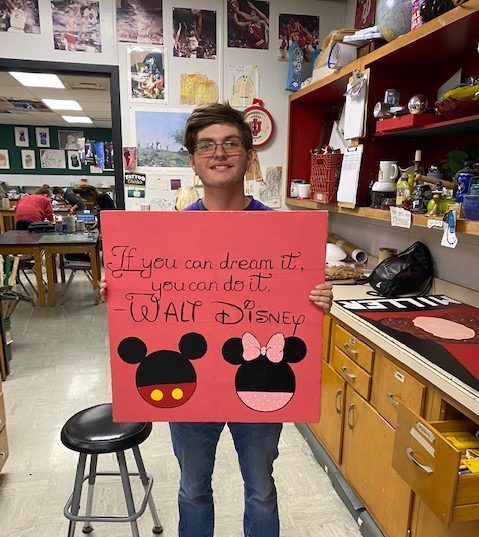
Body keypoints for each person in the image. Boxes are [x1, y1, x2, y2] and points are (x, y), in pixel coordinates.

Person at [100, 103, 333, 537]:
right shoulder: (168, 235)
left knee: (261, 488)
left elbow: (296, 302)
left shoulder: (284, 233)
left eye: (230, 143)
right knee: (192, 488)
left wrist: (318, 299)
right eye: (206, 145)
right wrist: (117, 289)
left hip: (260, 383)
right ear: (192, 160)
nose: (219, 153)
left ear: (248, 155)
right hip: (188, 386)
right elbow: (144, 302)